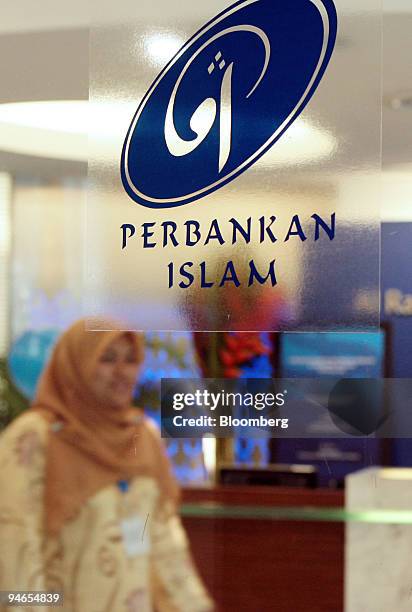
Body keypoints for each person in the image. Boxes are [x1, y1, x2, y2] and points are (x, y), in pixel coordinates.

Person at [0, 320, 214, 612]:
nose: (121, 372)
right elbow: (15, 548)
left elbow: (164, 544)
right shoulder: (35, 438)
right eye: (107, 359)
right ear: (76, 365)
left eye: (130, 360)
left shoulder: (143, 435)